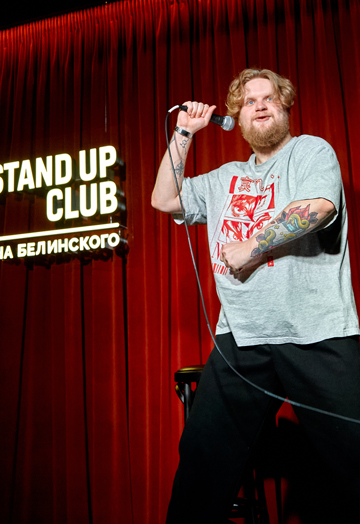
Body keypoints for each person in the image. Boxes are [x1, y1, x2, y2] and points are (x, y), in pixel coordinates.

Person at [151, 68, 360, 522]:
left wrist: (252, 246)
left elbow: (320, 207)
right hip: (242, 339)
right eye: (249, 101)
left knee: (353, 456)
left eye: (269, 98)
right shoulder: (225, 177)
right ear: (237, 118)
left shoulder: (310, 151)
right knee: (202, 461)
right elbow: (164, 200)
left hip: (316, 332)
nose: (260, 105)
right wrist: (184, 132)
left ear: (285, 107)